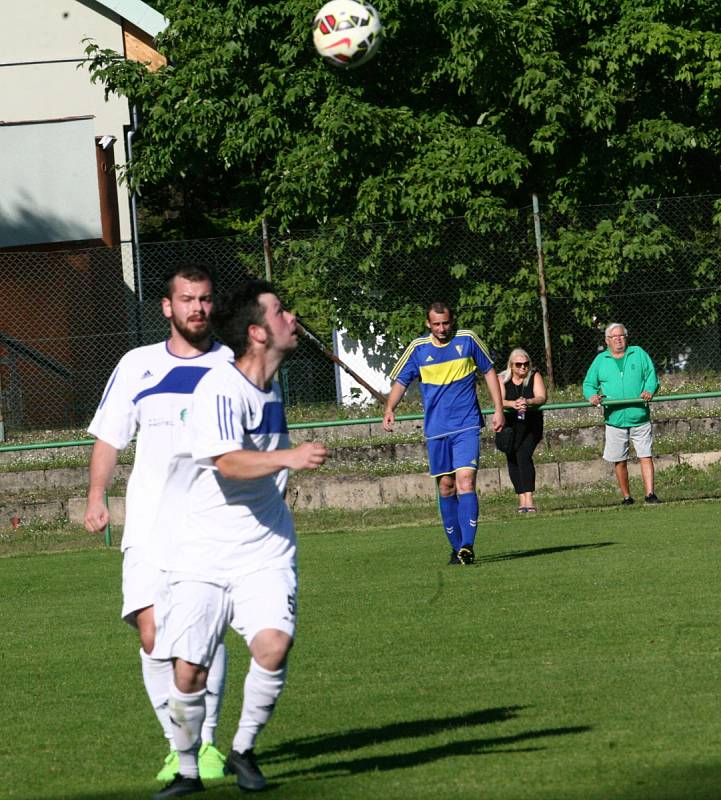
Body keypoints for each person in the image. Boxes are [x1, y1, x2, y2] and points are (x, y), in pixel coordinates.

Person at [150, 280, 328, 799]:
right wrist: (288, 459)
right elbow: (227, 462)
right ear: (257, 332)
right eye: (280, 312)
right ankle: (186, 769)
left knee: (273, 647)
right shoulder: (219, 389)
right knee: (189, 671)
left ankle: (244, 748)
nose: (291, 318)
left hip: (266, 548)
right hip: (204, 551)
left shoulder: (270, 381)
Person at [83, 264, 232, 782]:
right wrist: (96, 496)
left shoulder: (234, 365)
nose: (197, 308)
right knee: (151, 637)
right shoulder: (136, 364)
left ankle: (203, 746)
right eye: (187, 299)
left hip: (210, 527)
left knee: (201, 640)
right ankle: (179, 746)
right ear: (167, 307)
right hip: (147, 525)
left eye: (205, 299)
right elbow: (109, 436)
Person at [383, 301, 504, 565]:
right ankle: (456, 546)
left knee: (465, 482)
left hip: (467, 424)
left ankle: (467, 546)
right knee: (447, 487)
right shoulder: (418, 348)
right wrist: (390, 407)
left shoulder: (468, 340)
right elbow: (402, 380)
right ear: (428, 324)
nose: (441, 328)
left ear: (452, 321)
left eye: (445, 323)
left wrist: (498, 408)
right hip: (437, 430)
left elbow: (489, 370)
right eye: (436, 324)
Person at [582, 322, 660, 505]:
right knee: (619, 460)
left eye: (621, 336)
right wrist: (592, 395)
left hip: (639, 415)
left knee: (645, 455)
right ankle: (627, 497)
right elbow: (588, 384)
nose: (618, 339)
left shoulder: (638, 353)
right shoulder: (600, 360)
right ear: (607, 340)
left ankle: (650, 494)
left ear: (626, 338)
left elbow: (651, 376)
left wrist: (649, 390)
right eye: (614, 337)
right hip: (614, 419)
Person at [497, 349, 547, 513]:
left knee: (523, 455)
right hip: (510, 427)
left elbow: (541, 397)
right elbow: (499, 400)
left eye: (526, 364)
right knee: (512, 459)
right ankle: (521, 500)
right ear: (511, 365)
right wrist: (513, 404)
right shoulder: (502, 379)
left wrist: (528, 401)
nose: (523, 368)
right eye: (518, 365)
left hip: (531, 425)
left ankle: (529, 498)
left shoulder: (534, 376)